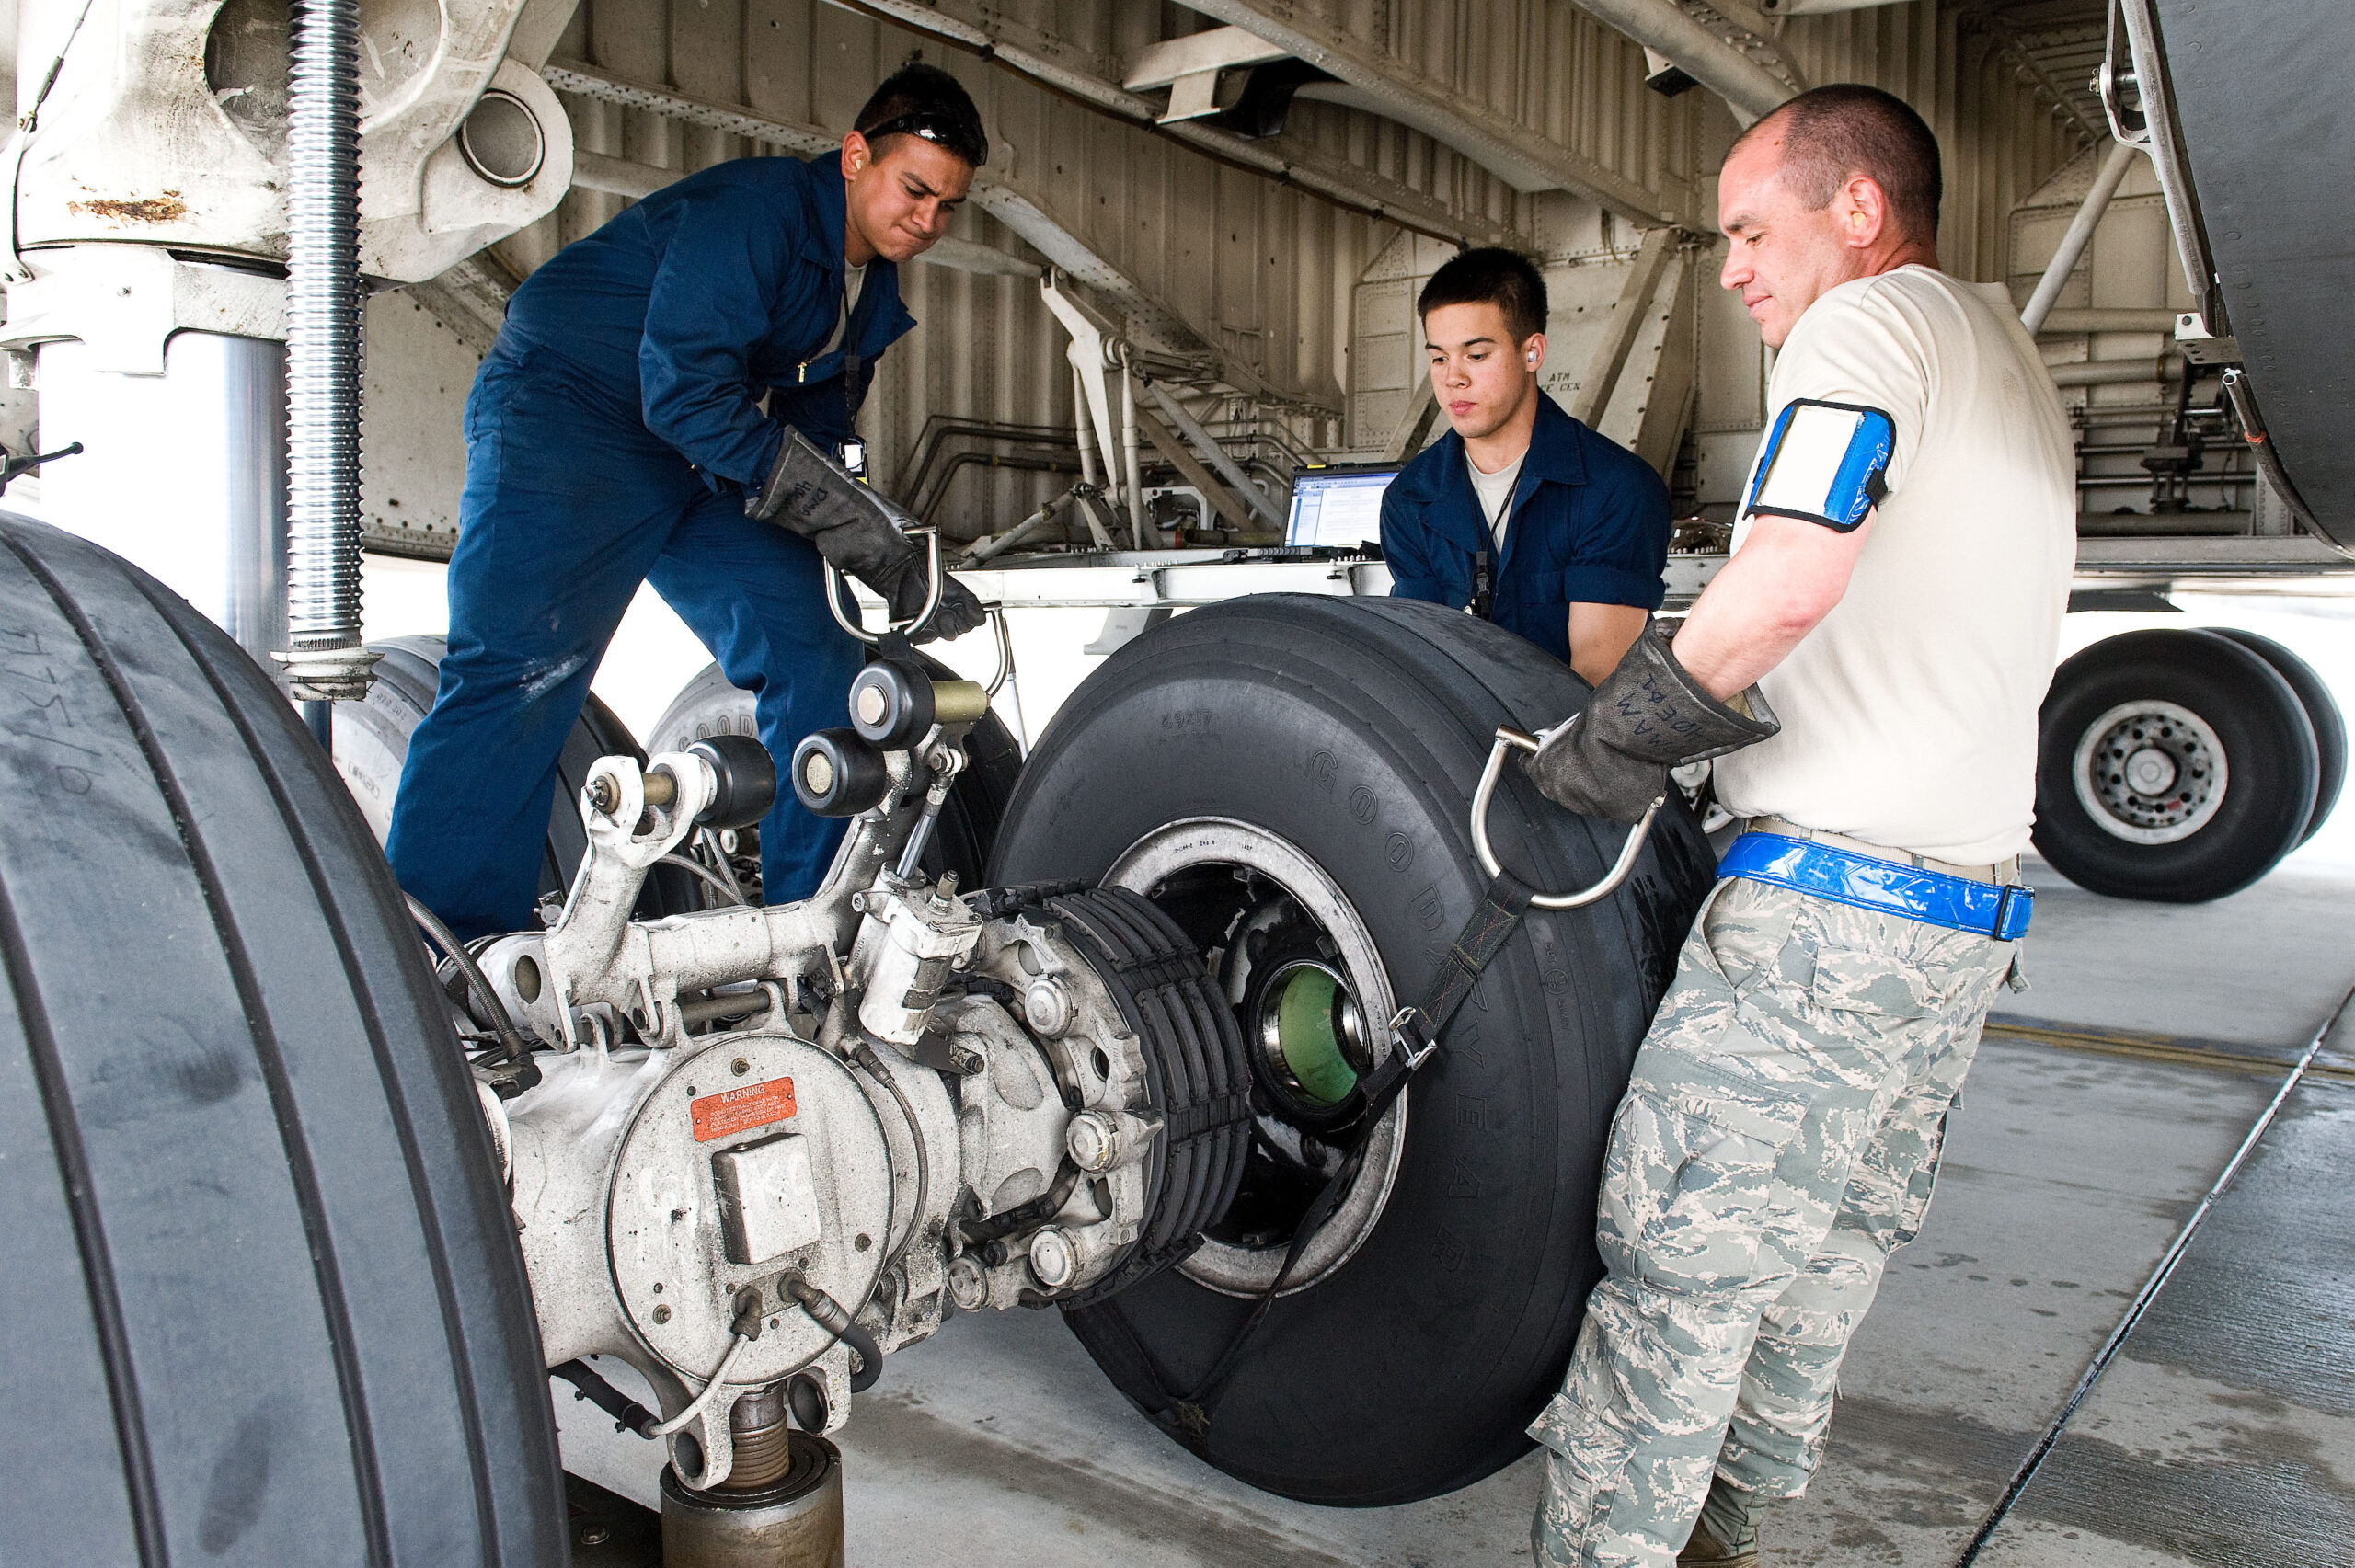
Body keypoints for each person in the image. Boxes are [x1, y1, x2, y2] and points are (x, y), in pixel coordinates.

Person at [1520, 85, 2075, 1568]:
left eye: (1749, 230)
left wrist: (1607, 751)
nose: (1731, 270)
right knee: (1809, 1285)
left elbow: (1784, 582)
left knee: (1677, 1287)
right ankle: (1730, 1549)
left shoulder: (1866, 327)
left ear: (1858, 210)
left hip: (1826, 925)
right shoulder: (2006, 359)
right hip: (1961, 926)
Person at [386, 64, 988, 940]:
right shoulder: (758, 213)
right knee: (521, 674)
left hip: (699, 452)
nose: (928, 220)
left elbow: (810, 445)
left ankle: (810, 927)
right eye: (916, 190)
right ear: (857, 155)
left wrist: (890, 547)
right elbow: (681, 392)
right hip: (573, 418)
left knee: (819, 655)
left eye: (948, 206)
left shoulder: (868, 294)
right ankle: (444, 961)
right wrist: (855, 528)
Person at [1380, 247, 1670, 684]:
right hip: (1454, 743)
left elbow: (1596, 677)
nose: (1452, 377)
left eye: (1476, 356)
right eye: (1439, 358)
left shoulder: (1615, 488)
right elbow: (1420, 660)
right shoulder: (1410, 499)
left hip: (1573, 744)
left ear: (1532, 353)